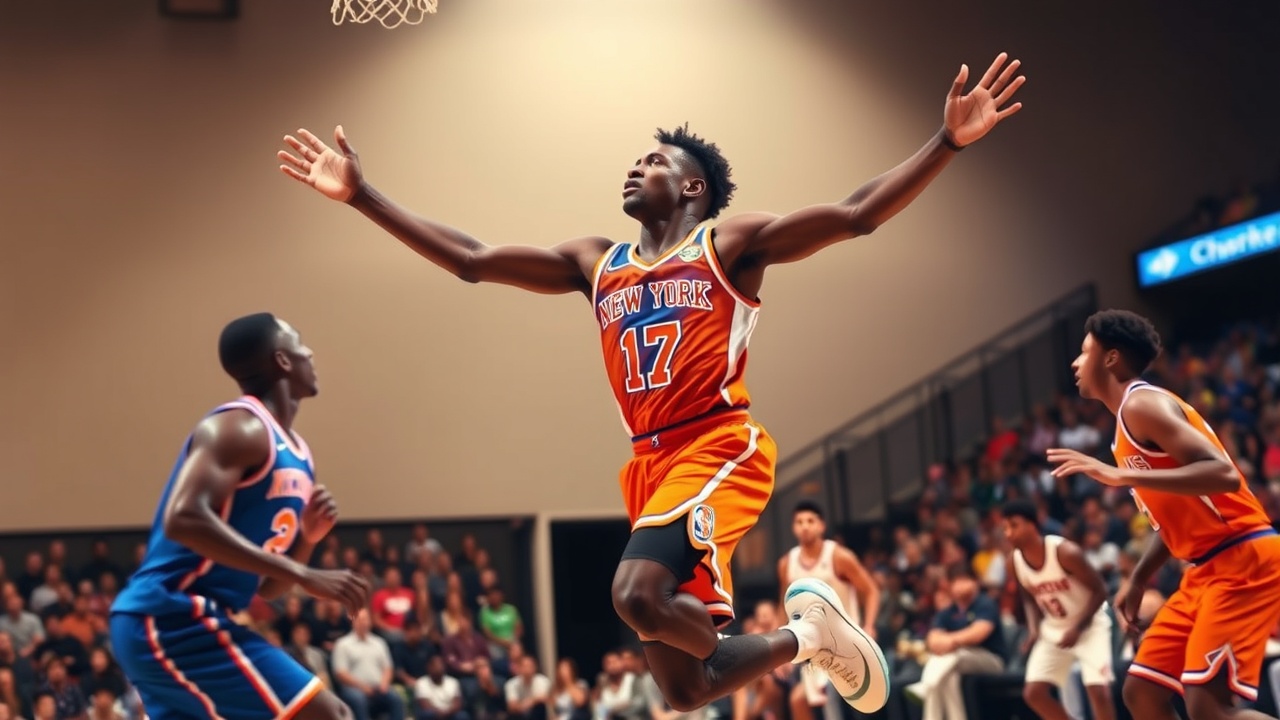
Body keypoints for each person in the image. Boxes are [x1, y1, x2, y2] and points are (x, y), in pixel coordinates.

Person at [279, 52, 1025, 712]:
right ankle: (808, 638)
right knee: (688, 687)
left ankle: (804, 634)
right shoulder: (596, 261)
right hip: (650, 466)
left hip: (717, 446)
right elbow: (472, 260)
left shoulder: (727, 243)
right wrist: (363, 196)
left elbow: (856, 215)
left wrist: (945, 143)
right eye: (635, 161)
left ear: (692, 185)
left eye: (653, 161)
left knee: (634, 594)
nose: (635, 168)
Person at [108, 313, 371, 720]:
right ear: (282, 360)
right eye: (300, 344)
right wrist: (304, 574)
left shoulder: (299, 455)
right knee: (330, 714)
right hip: (170, 614)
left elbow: (268, 589)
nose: (310, 353)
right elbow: (183, 517)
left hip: (183, 619)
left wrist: (307, 540)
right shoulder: (239, 427)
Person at [1047, 309, 1280, 720]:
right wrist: (1139, 577)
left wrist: (1120, 475)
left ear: (1111, 358)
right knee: (1142, 693)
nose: (1075, 363)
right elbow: (1171, 519)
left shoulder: (1143, 403)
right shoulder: (1125, 430)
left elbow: (1224, 475)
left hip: (1243, 558)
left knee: (1208, 708)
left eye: (1084, 352)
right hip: (1204, 570)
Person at [1002, 499, 1114, 720]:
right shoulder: (1013, 562)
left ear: (1032, 525)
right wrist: (1033, 629)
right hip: (1055, 627)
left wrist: (1078, 628)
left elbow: (1101, 590)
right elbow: (1027, 596)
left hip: (1090, 624)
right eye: (1005, 528)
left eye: (1014, 525)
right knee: (1034, 694)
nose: (1008, 533)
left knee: (1098, 692)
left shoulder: (1065, 552)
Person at [777, 501, 879, 720]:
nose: (805, 526)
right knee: (798, 701)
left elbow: (871, 591)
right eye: (799, 522)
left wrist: (869, 626)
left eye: (810, 521)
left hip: (846, 644)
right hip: (814, 649)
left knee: (836, 699)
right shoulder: (787, 563)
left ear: (821, 526)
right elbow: (783, 607)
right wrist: (780, 651)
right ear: (793, 528)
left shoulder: (839, 556)